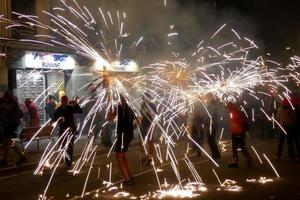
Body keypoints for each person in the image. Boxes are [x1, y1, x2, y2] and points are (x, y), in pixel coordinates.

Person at [110, 95, 136, 185]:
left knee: (119, 157)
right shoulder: (131, 107)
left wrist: (110, 107)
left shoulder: (119, 107)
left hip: (123, 135)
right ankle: (130, 176)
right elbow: (139, 119)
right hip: (128, 134)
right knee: (123, 156)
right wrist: (133, 128)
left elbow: (109, 118)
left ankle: (127, 179)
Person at [53, 95, 83, 167]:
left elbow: (80, 111)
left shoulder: (70, 107)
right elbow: (55, 119)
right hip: (63, 129)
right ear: (62, 101)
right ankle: (66, 157)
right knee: (62, 145)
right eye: (63, 101)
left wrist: (76, 104)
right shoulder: (59, 109)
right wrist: (59, 120)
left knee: (70, 145)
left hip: (70, 129)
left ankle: (69, 161)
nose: (64, 103)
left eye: (65, 101)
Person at [0, 90, 27, 166]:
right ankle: (6, 159)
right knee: (7, 142)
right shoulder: (7, 103)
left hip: (10, 125)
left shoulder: (12, 104)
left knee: (7, 141)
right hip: (8, 125)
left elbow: (17, 114)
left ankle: (20, 157)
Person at [226, 102, 252, 167]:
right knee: (236, 147)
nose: (228, 109)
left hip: (238, 132)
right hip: (235, 132)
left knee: (240, 147)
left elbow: (240, 123)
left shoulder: (237, 113)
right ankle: (236, 161)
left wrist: (239, 132)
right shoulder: (233, 112)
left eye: (228, 108)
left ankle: (246, 159)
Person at [139, 92, 157, 165]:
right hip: (143, 124)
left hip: (149, 125)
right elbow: (141, 114)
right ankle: (145, 156)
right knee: (141, 141)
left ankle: (150, 157)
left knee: (150, 141)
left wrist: (151, 126)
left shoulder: (152, 105)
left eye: (144, 97)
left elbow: (154, 116)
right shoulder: (143, 105)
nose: (143, 98)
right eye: (143, 97)